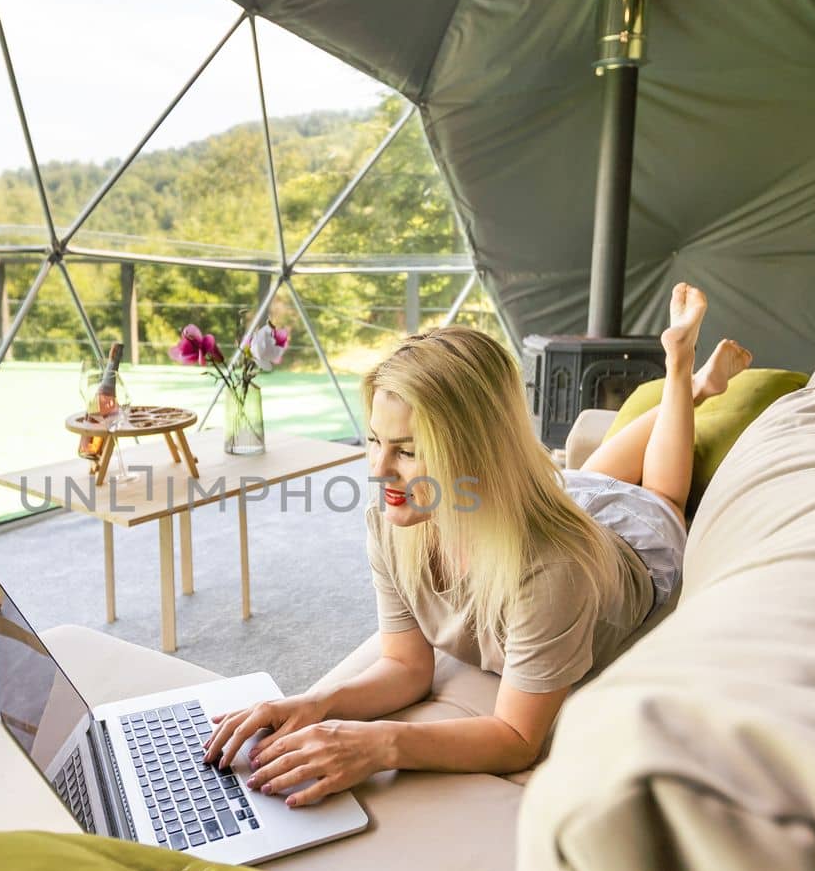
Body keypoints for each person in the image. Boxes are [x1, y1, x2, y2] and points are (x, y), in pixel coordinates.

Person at [202, 283, 752, 805]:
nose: (379, 470)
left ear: (475, 451)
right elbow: (406, 665)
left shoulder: (551, 570)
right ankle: (696, 384)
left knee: (657, 494)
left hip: (627, 548)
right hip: (510, 507)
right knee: (585, 477)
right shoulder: (394, 521)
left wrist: (380, 745)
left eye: (408, 450)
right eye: (374, 440)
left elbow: (517, 737)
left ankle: (683, 373)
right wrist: (315, 704)